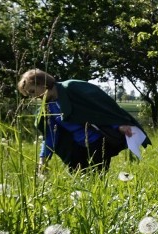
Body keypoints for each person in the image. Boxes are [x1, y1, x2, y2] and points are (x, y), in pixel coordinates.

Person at [18, 69, 151, 172]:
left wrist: (118, 126)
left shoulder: (71, 88)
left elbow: (99, 108)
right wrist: (43, 160)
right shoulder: (47, 107)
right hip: (76, 147)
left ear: (43, 83)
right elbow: (51, 135)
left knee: (97, 181)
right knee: (80, 181)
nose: (33, 97)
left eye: (32, 91)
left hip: (98, 144)